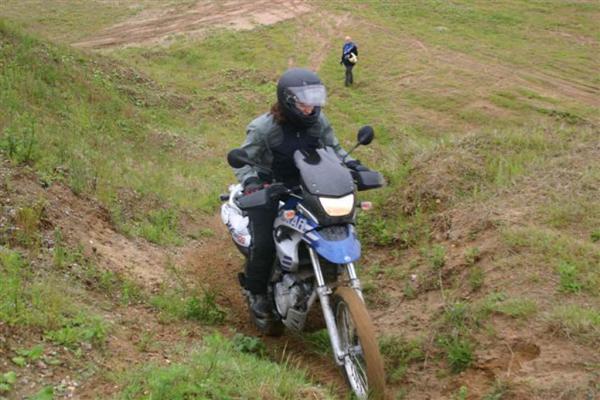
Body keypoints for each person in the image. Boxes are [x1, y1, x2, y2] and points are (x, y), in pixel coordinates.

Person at [231, 68, 369, 319]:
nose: (311, 108)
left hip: (311, 187)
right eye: (305, 102)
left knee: (334, 225)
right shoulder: (263, 128)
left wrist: (356, 167)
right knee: (264, 243)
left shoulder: (318, 122)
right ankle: (257, 292)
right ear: (288, 100)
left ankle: (328, 279)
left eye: (315, 100)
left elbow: (335, 150)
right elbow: (243, 161)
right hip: (270, 190)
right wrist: (252, 182)